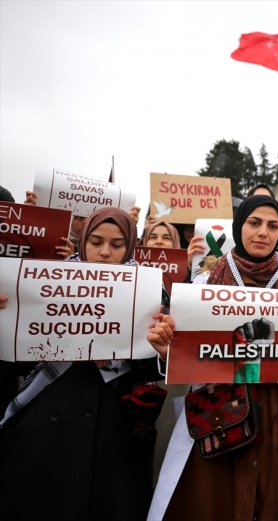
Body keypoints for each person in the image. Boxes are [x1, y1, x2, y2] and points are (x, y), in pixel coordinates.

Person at [146, 195, 278, 521]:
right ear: (239, 227)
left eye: (272, 226)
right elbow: (187, 358)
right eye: (254, 223)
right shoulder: (205, 281)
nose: (263, 232)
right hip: (222, 414)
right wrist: (168, 352)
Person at [0, 207, 165, 520]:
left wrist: (159, 349)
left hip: (115, 426)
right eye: (96, 242)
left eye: (117, 245)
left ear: (130, 246)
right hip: (45, 423)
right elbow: (14, 363)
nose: (104, 253)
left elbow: (155, 369)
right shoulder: (41, 283)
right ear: (82, 242)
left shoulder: (150, 293)